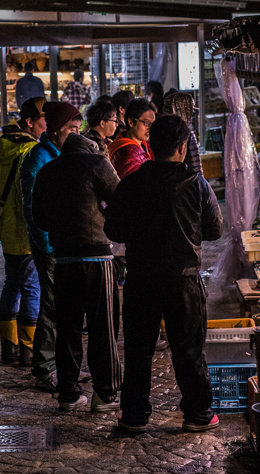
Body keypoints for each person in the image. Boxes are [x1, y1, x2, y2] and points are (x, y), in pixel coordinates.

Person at [105, 114, 224, 434]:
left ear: (151, 145)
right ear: (183, 147)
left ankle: (134, 415)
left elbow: (113, 228)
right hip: (183, 280)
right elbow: (215, 229)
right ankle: (198, 413)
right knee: (189, 351)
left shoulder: (131, 183)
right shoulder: (197, 184)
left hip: (141, 279)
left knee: (139, 349)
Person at [32, 134, 121, 412]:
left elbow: (38, 218)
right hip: (97, 259)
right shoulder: (99, 164)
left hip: (64, 260)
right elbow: (121, 200)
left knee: (67, 329)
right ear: (91, 148)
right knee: (102, 329)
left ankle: (68, 393)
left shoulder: (47, 171)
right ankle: (104, 395)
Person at [20, 101, 83, 392]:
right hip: (50, 247)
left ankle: (61, 364)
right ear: (57, 130)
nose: (75, 134)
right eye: (72, 128)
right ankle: (45, 367)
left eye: (77, 129)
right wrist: (49, 247)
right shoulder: (39, 159)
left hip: (65, 244)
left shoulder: (61, 154)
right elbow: (35, 211)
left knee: (65, 306)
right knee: (52, 305)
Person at [0, 97, 47, 366]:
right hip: (25, 231)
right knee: (31, 288)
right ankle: (28, 350)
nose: (47, 124)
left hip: (7, 229)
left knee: (12, 285)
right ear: (30, 122)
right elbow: (25, 197)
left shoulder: (3, 147)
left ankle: (8, 347)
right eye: (43, 119)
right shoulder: (29, 152)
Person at [107, 98, 155, 179]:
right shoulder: (128, 153)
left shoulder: (144, 144)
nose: (150, 128)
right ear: (131, 122)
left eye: (152, 124)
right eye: (146, 123)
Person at [161, 91, 202, 176]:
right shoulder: (186, 133)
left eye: (167, 108)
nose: (164, 111)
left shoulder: (161, 131)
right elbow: (196, 168)